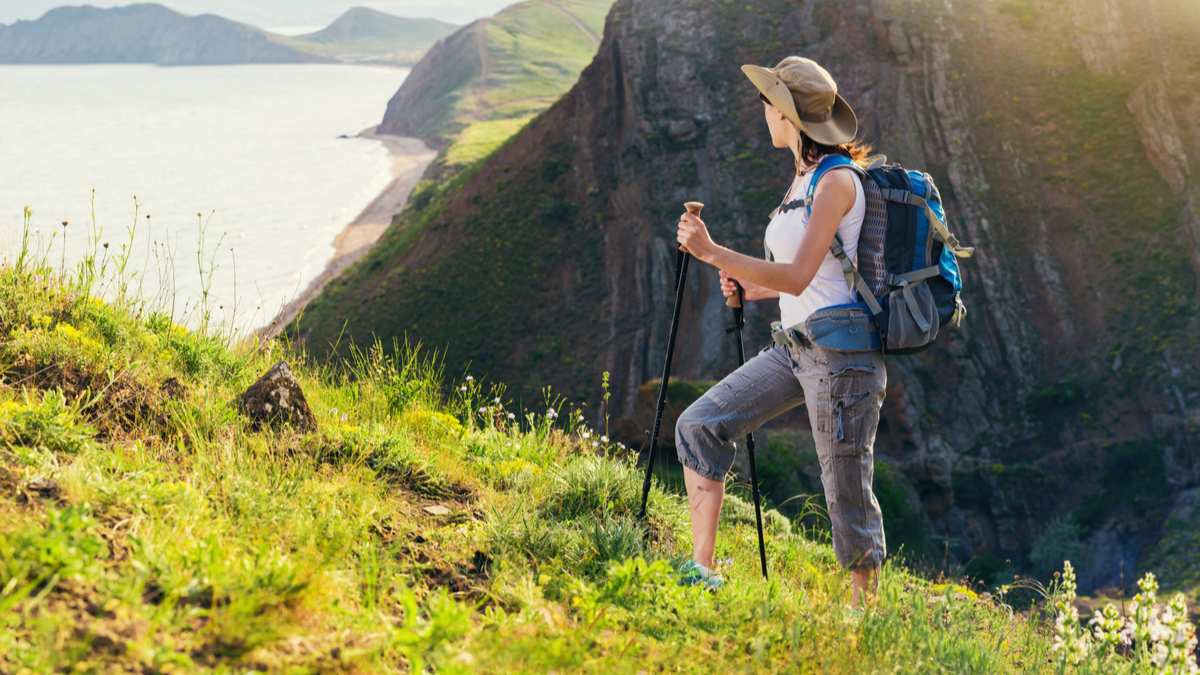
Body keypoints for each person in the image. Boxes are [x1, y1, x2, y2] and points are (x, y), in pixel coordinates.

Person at [673, 56, 887, 607]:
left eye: (768, 102)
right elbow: (808, 280)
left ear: (789, 116)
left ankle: (866, 619)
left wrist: (712, 251)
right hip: (795, 348)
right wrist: (751, 289)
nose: (761, 110)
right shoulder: (801, 179)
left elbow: (797, 275)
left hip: (842, 356)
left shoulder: (837, 180)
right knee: (700, 425)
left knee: (845, 488)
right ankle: (703, 569)